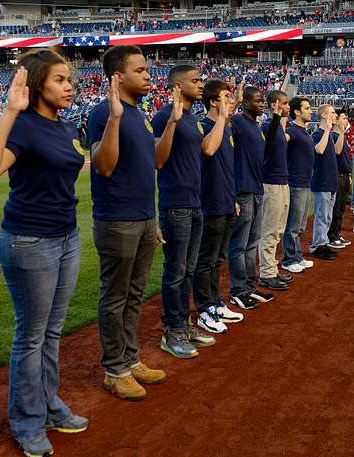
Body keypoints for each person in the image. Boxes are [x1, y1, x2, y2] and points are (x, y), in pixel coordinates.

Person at [0, 50, 89, 457]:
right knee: (31, 336)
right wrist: (9, 110)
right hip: (29, 241)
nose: (69, 85)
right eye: (60, 79)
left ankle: (50, 405)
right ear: (39, 82)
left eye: (70, 79)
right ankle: (27, 422)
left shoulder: (66, 125)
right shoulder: (21, 126)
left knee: (51, 332)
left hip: (66, 237)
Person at [88, 45, 166, 401]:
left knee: (134, 295)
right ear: (118, 77)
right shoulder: (103, 112)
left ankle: (131, 360)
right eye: (140, 70)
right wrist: (116, 118)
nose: (148, 75)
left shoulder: (142, 114)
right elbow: (103, 166)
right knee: (115, 297)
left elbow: (153, 165)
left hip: (144, 217)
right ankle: (114, 370)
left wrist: (175, 121)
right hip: (117, 220)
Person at [150, 65, 215, 360]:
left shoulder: (192, 118)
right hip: (175, 204)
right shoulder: (166, 116)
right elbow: (157, 160)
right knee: (175, 271)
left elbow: (203, 152)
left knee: (187, 269)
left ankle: (185, 324)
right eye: (195, 80)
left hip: (194, 202)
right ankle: (172, 329)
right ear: (177, 86)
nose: (201, 84)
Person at [193, 79, 243, 334]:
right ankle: (204, 309)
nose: (230, 101)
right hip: (209, 203)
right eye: (225, 97)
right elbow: (208, 151)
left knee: (218, 257)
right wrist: (222, 119)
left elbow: (227, 168)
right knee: (206, 259)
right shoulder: (202, 125)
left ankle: (215, 301)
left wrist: (233, 198)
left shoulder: (228, 127)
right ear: (213, 101)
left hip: (225, 201)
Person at [228, 86, 267, 310]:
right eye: (257, 100)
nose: (261, 103)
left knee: (252, 243)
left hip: (256, 189)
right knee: (239, 245)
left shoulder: (254, 125)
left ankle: (249, 287)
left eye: (262, 100)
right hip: (242, 190)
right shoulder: (239, 122)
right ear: (245, 103)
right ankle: (238, 290)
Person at [259, 91, 300, 280]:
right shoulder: (268, 126)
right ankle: (267, 273)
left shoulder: (279, 128)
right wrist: (275, 116)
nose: (288, 107)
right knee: (269, 231)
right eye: (284, 103)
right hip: (271, 183)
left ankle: (272, 269)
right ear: (275, 105)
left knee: (278, 230)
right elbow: (269, 144)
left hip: (282, 182)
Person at [281, 97, 315, 273]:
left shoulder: (303, 131)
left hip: (304, 183)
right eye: (307, 108)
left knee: (300, 225)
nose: (310, 111)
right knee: (293, 225)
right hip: (295, 183)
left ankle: (297, 256)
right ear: (297, 112)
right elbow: (279, 143)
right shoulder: (292, 131)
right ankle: (288, 259)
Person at [309, 104, 340, 261]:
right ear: (324, 116)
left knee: (327, 216)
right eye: (332, 113)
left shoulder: (329, 134)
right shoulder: (317, 134)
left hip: (330, 181)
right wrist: (327, 130)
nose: (335, 115)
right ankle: (317, 246)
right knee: (322, 216)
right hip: (321, 181)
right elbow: (319, 150)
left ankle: (323, 242)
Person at [328, 111, 352, 249]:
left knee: (341, 208)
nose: (346, 120)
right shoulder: (333, 135)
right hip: (337, 175)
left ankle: (336, 233)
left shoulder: (339, 135)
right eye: (343, 118)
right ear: (337, 121)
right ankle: (332, 236)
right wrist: (342, 133)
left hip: (344, 174)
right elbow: (337, 153)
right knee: (336, 208)